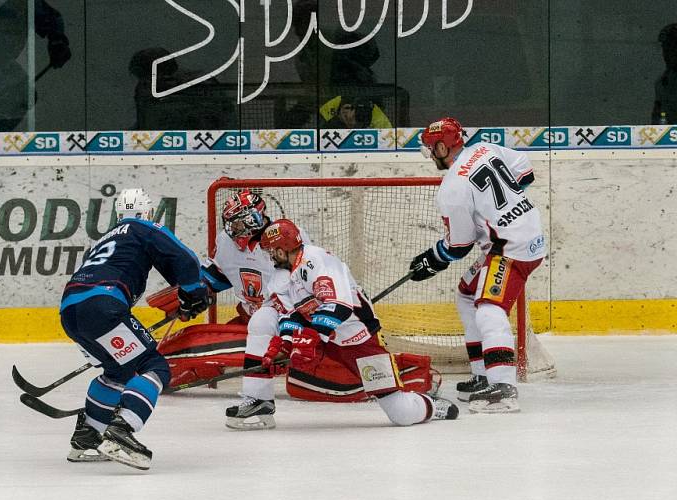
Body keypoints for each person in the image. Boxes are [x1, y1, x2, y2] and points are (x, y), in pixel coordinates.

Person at [225, 218, 458, 430]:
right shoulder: (282, 278)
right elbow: (291, 316)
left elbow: (339, 306)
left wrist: (311, 336)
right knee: (264, 321)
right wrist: (284, 346)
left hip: (358, 339)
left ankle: (428, 404)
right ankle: (258, 398)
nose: (269, 257)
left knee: (401, 413)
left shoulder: (317, 261)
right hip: (325, 340)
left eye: (270, 252)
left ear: (281, 249)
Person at [59, 188, 209, 470]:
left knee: (118, 372)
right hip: (103, 305)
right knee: (155, 367)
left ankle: (87, 437)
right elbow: (184, 258)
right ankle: (122, 429)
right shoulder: (141, 227)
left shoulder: (104, 239)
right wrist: (193, 290)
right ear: (147, 213)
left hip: (70, 310)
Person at [409, 117, 546, 414]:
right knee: (467, 294)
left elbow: (459, 246)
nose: (430, 156)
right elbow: (526, 170)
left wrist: (432, 260)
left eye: (431, 149)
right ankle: (482, 374)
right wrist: (505, 206)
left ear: (443, 147)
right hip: (527, 232)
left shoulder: (452, 188)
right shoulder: (485, 149)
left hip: (511, 248)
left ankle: (503, 388)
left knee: (489, 308)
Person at [202, 190, 307, 418]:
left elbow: (303, 282)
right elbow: (218, 274)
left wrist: (289, 336)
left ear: (253, 219)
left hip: (293, 313)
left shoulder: (283, 238)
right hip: (256, 315)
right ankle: (258, 399)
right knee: (259, 322)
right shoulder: (225, 241)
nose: (232, 230)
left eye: (238, 224)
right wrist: (196, 290)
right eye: (231, 224)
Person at [0, 0, 71, 132]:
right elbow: (50, 17)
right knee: (20, 98)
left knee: (24, 97)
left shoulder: (24, 8)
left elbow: (51, 18)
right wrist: (57, 41)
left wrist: (57, 42)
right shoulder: (20, 7)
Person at [652, 23, 677, 124]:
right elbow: (657, 120)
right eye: (665, 48)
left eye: (672, 47)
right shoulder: (663, 83)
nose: (666, 54)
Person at [320, 94, 392, 129]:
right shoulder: (336, 103)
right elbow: (319, 133)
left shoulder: (374, 112)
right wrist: (339, 120)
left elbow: (388, 135)